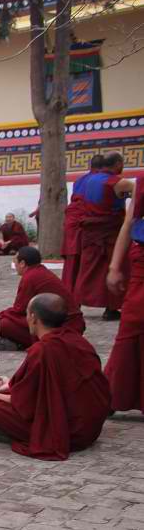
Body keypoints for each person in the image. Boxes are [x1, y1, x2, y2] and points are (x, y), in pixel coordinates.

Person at [0, 293, 110, 461]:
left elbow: (25, 404)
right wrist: (10, 384)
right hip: (90, 428)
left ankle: (24, 435)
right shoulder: (79, 341)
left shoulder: (43, 350)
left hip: (66, 432)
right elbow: (49, 386)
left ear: (33, 317)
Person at [0, 246, 84, 351]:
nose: (15, 265)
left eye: (15, 262)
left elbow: (19, 310)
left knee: (5, 325)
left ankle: (24, 343)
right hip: (69, 323)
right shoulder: (40, 271)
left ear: (22, 263)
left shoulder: (30, 277)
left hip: (64, 325)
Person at [74, 152, 134, 320]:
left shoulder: (88, 180)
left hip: (91, 231)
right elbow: (139, 190)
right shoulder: (117, 182)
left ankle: (76, 304)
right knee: (117, 268)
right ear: (117, 164)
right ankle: (111, 308)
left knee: (89, 271)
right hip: (111, 232)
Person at [104, 174, 144, 413]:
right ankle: (109, 394)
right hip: (141, 261)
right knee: (131, 325)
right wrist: (114, 266)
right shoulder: (140, 183)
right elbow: (129, 222)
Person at [63, 155, 105, 290]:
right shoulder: (103, 181)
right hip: (88, 222)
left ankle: (70, 295)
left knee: (73, 263)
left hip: (73, 222)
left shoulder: (78, 181)